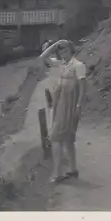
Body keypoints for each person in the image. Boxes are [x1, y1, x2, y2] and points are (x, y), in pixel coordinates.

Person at [39, 39, 87, 183]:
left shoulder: (78, 66)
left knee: (55, 138)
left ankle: (57, 173)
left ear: (71, 50)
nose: (63, 54)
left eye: (65, 50)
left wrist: (79, 106)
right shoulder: (61, 64)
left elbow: (83, 88)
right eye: (61, 51)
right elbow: (43, 57)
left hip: (70, 105)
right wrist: (56, 44)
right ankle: (73, 170)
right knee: (67, 140)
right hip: (60, 103)